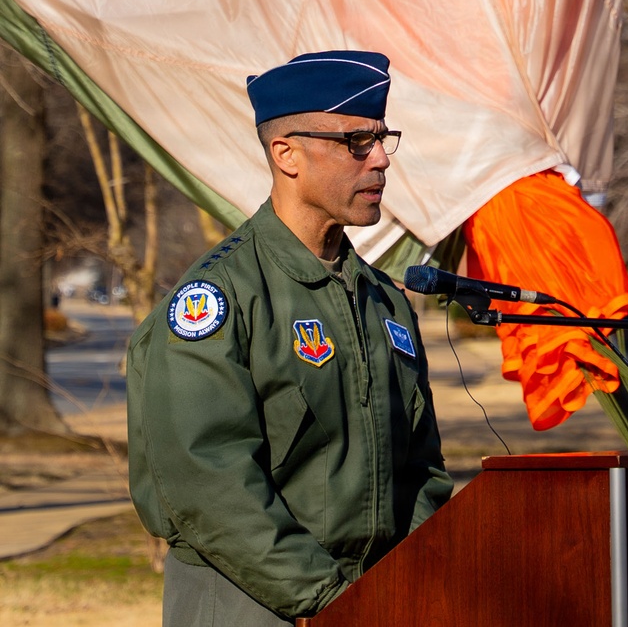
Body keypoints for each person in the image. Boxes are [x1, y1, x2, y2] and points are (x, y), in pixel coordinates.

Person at [126, 50, 453, 625]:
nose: (379, 160)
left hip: (372, 604)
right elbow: (208, 480)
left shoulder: (386, 301)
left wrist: (408, 582)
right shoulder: (219, 297)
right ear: (287, 154)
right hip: (252, 603)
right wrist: (326, 600)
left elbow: (422, 470)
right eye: (356, 142)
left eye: (382, 139)